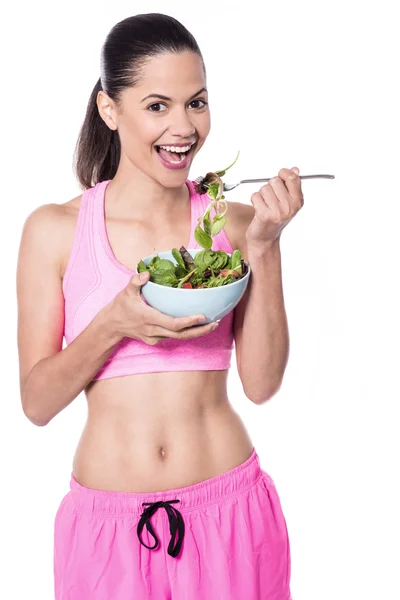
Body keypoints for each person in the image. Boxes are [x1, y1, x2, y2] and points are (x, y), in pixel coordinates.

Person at [17, 12, 303, 600]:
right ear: (109, 109)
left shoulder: (237, 223)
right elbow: (37, 403)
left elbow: (262, 383)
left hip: (230, 516)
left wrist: (266, 249)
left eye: (196, 103)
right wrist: (112, 325)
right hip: (106, 536)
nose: (184, 127)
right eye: (157, 106)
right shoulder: (55, 231)